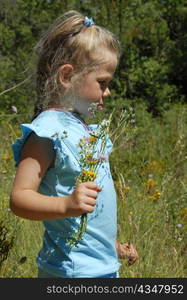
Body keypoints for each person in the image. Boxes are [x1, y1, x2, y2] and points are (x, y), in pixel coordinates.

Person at [10, 10, 138, 278]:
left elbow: (88, 217)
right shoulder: (47, 132)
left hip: (102, 268)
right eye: (102, 83)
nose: (108, 92)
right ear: (67, 76)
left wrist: (111, 247)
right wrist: (66, 204)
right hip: (70, 273)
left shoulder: (88, 131)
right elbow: (19, 199)